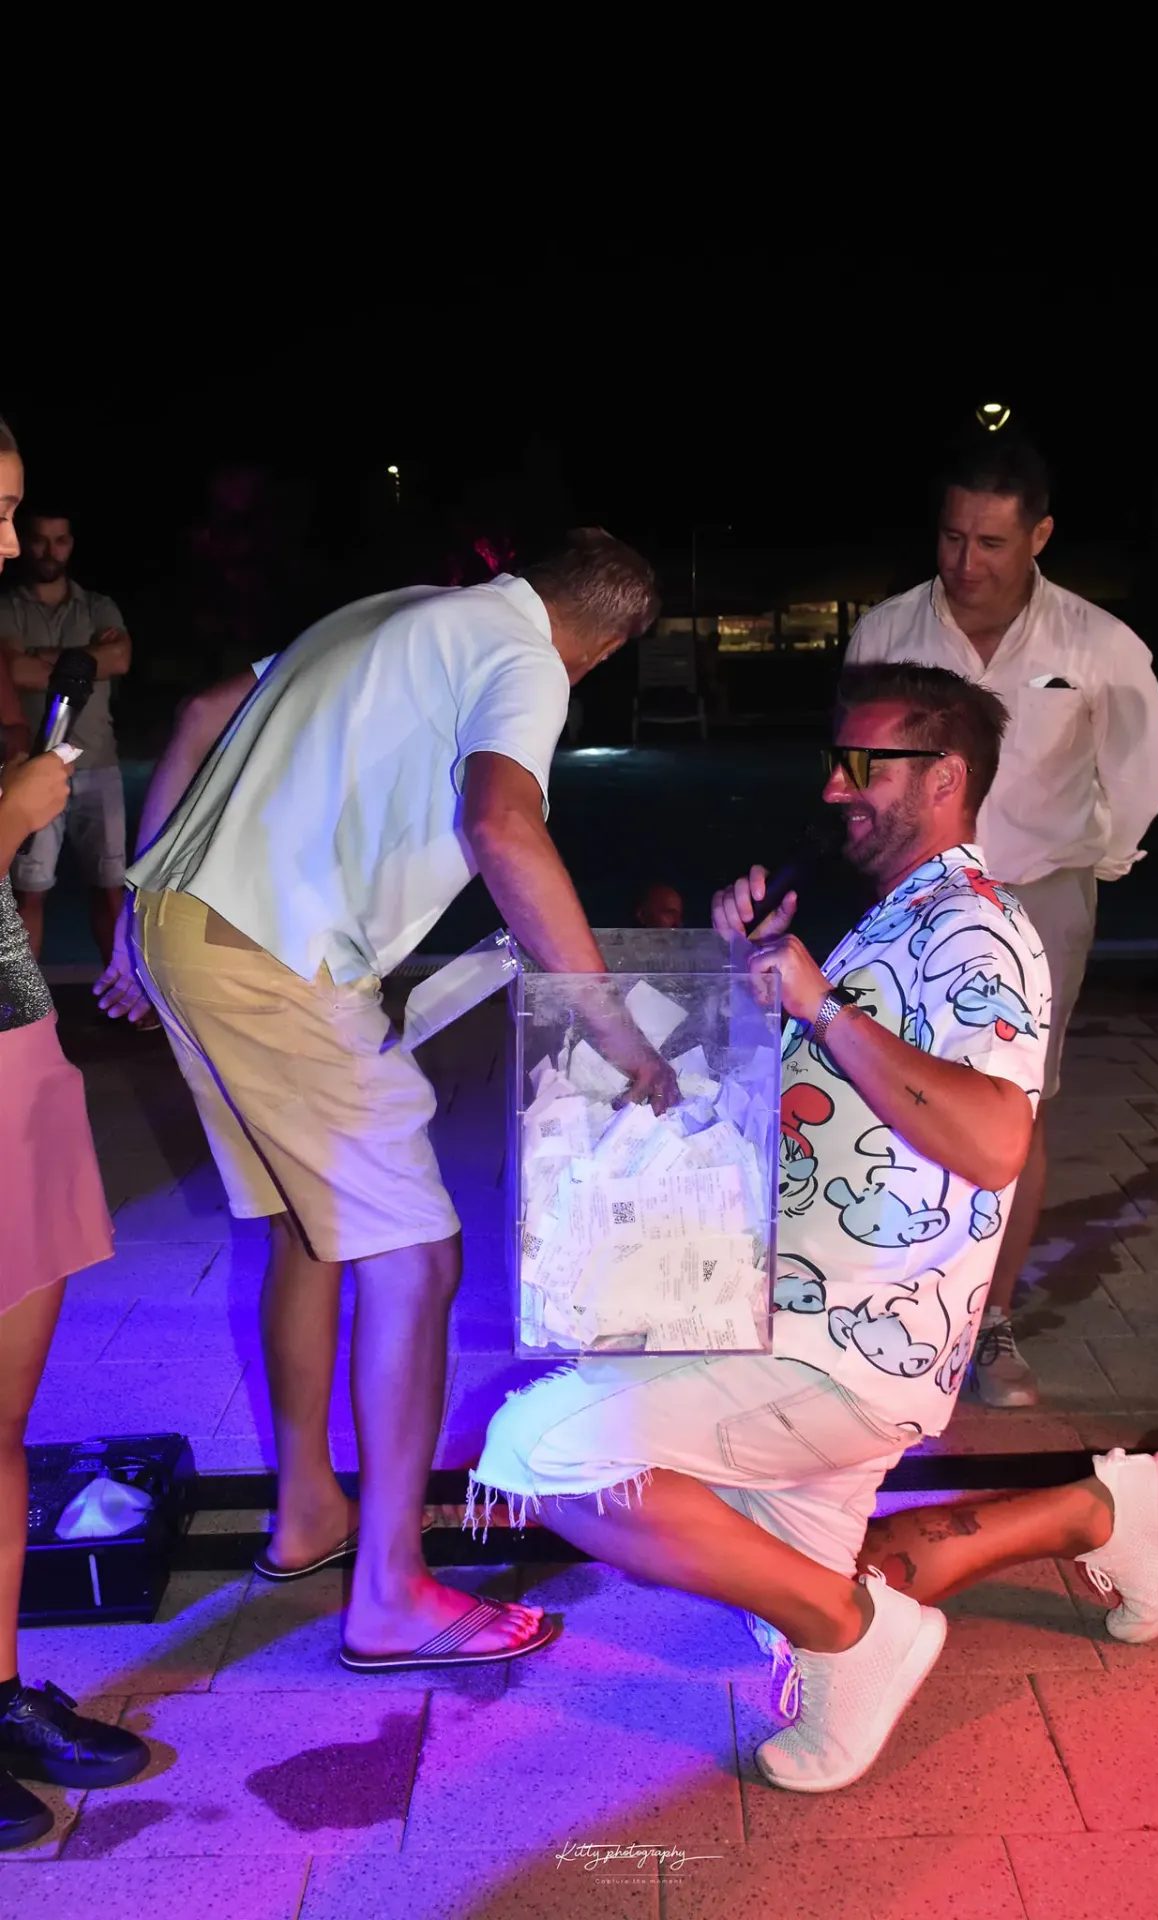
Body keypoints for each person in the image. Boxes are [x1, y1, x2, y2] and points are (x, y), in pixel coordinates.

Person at [472, 661, 1158, 1793]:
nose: (836, 786)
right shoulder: (893, 923)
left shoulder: (977, 931)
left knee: (540, 1452)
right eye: (835, 761)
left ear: (944, 777)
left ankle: (858, 1637)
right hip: (807, 1314)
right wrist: (743, 972)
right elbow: (815, 1100)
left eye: (865, 765)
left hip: (841, 1346)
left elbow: (994, 1139)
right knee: (799, 1588)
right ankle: (1104, 1511)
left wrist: (820, 1002)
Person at [95, 531, 675, 1671]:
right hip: (273, 957)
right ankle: (392, 1597)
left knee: (312, 1229)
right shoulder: (528, 662)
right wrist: (610, 1027)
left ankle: (310, 1509)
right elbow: (501, 823)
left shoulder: (399, 608)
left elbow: (203, 712)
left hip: (186, 924)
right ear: (605, 649)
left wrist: (135, 905)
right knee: (414, 1256)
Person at [844, 437, 1158, 1407]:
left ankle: (990, 1321)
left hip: (1038, 897)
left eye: (989, 542)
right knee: (890, 1088)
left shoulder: (1097, 646)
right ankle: (884, 1297)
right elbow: (856, 764)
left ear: (1039, 536)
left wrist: (1094, 868)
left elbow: (1135, 773)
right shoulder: (886, 632)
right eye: (951, 537)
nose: (965, 563)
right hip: (906, 900)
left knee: (1013, 1110)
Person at [0, 419, 148, 1852]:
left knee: (3, 1428)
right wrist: (8, 817)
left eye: (17, 512)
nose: (8, 540)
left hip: (16, 1048)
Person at [0, 506, 132, 969]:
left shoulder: (97, 605)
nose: (48, 551)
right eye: (39, 539)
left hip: (99, 765)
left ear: (70, 545)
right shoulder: (7, 608)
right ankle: (19, 1002)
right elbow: (11, 672)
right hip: (35, 765)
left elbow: (120, 660)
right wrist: (85, 661)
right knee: (27, 894)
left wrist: (37, 657)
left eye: (59, 540)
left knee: (110, 890)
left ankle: (122, 994)